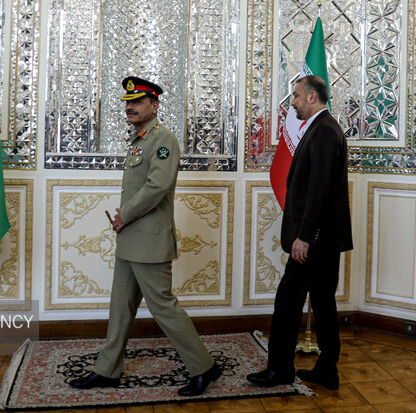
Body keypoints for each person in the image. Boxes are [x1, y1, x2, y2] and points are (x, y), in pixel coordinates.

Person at [69, 76, 221, 396]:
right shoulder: (138, 140)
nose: (130, 107)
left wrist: (125, 215)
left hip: (149, 239)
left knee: (163, 306)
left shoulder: (161, 140)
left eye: (137, 102)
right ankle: (107, 371)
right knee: (120, 307)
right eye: (128, 103)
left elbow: (157, 187)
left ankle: (204, 367)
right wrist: (126, 221)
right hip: (130, 238)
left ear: (154, 106)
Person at [247, 75, 353, 391]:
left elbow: (320, 190)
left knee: (287, 301)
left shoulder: (323, 131)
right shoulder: (324, 128)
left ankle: (279, 371)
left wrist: (305, 236)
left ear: (311, 97)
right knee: (322, 302)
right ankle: (327, 370)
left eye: (294, 96)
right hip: (324, 238)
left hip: (315, 240)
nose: (291, 102)